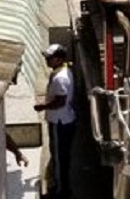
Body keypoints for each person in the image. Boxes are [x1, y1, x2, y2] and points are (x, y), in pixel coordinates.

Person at [34, 43, 76, 199]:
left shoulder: (60, 78)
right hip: (63, 120)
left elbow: (60, 101)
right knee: (61, 156)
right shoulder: (63, 71)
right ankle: (62, 187)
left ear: (58, 59)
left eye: (49, 58)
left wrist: (42, 106)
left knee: (59, 158)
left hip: (60, 122)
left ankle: (60, 191)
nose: (47, 61)